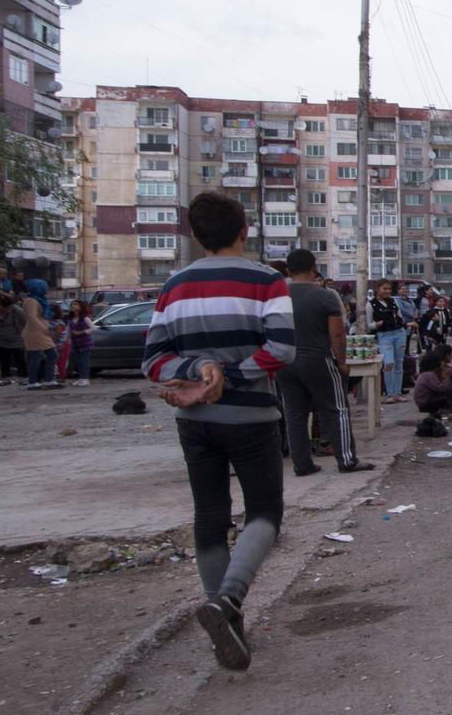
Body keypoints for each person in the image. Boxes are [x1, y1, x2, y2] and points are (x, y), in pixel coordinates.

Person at [141, 192, 296, 671]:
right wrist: (232, 371)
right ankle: (227, 602)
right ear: (245, 230)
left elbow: (152, 360)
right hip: (251, 417)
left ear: (194, 235)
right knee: (264, 512)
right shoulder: (268, 280)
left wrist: (197, 368)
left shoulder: (173, 286)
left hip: (195, 422)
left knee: (210, 517)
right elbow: (283, 349)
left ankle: (228, 623)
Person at [278, 249, 369, 476]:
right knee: (336, 408)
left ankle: (302, 464)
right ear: (314, 268)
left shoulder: (278, 297)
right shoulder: (325, 296)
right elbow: (337, 334)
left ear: (288, 270)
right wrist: (342, 362)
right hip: (317, 359)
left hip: (285, 362)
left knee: (294, 413)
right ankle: (347, 460)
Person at [369, 281, 408, 403]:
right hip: (384, 336)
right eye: (384, 289)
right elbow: (369, 324)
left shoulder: (393, 301)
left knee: (399, 363)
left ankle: (398, 393)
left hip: (399, 333)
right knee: (388, 363)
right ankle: (389, 393)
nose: (387, 291)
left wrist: (404, 325)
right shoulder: (371, 304)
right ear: (377, 289)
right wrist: (376, 324)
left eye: (389, 289)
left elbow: (400, 316)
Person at [412, 348, 452, 421]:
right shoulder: (429, 375)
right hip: (425, 404)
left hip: (426, 401)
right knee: (448, 394)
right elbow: (442, 389)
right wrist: (446, 377)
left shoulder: (428, 374)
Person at [20, 277, 56, 390]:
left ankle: (48, 379)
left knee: (50, 355)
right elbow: (32, 317)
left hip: (40, 332)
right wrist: (43, 328)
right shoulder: (31, 301)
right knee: (35, 356)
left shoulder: (38, 300)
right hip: (34, 332)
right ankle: (34, 381)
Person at [0, 292, 22, 384]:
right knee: (4, 362)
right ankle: (6, 379)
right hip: (1, 341)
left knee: (20, 362)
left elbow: (25, 323)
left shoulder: (16, 311)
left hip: (17, 341)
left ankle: (22, 379)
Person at [66, 300, 93, 386]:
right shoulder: (71, 319)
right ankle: (81, 378)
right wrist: (66, 339)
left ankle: (86, 378)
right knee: (78, 361)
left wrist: (82, 332)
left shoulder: (85, 318)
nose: (73, 306)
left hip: (84, 343)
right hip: (75, 343)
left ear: (81, 307)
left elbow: (93, 328)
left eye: (75, 304)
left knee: (84, 361)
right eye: (72, 304)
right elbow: (68, 330)